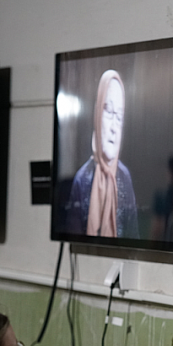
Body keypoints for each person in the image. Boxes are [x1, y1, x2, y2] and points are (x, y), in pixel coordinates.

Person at [66, 69, 139, 238]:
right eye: (108, 111)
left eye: (119, 117)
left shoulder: (124, 178)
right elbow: (74, 243)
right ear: (98, 114)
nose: (114, 127)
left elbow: (134, 239)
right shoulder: (81, 179)